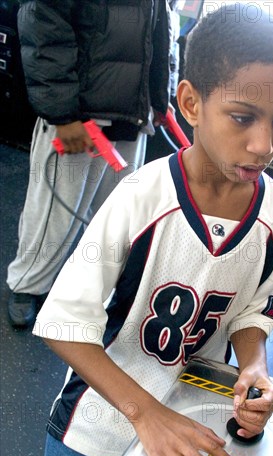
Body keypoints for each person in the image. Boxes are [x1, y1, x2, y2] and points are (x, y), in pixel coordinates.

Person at [28, 4, 273, 456]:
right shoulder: (138, 199)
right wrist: (145, 414)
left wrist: (254, 366)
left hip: (195, 423)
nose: (265, 145)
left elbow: (258, 307)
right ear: (192, 103)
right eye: (243, 117)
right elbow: (62, 322)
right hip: (99, 427)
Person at [7, 0, 179, 328]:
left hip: (132, 108)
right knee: (53, 216)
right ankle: (28, 285)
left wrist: (161, 94)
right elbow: (44, 22)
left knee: (114, 215)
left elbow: (164, 24)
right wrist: (62, 114)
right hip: (80, 111)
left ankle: (83, 291)